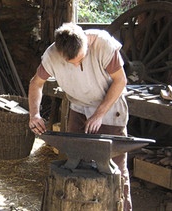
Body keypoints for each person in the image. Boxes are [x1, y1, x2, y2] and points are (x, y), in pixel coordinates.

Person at [28, 23, 131, 210]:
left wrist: (99, 114)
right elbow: (36, 84)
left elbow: (121, 81)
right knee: (75, 162)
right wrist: (34, 114)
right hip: (79, 108)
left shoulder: (103, 44)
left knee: (116, 169)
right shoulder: (52, 55)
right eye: (71, 62)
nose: (76, 65)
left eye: (80, 59)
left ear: (86, 44)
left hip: (110, 108)